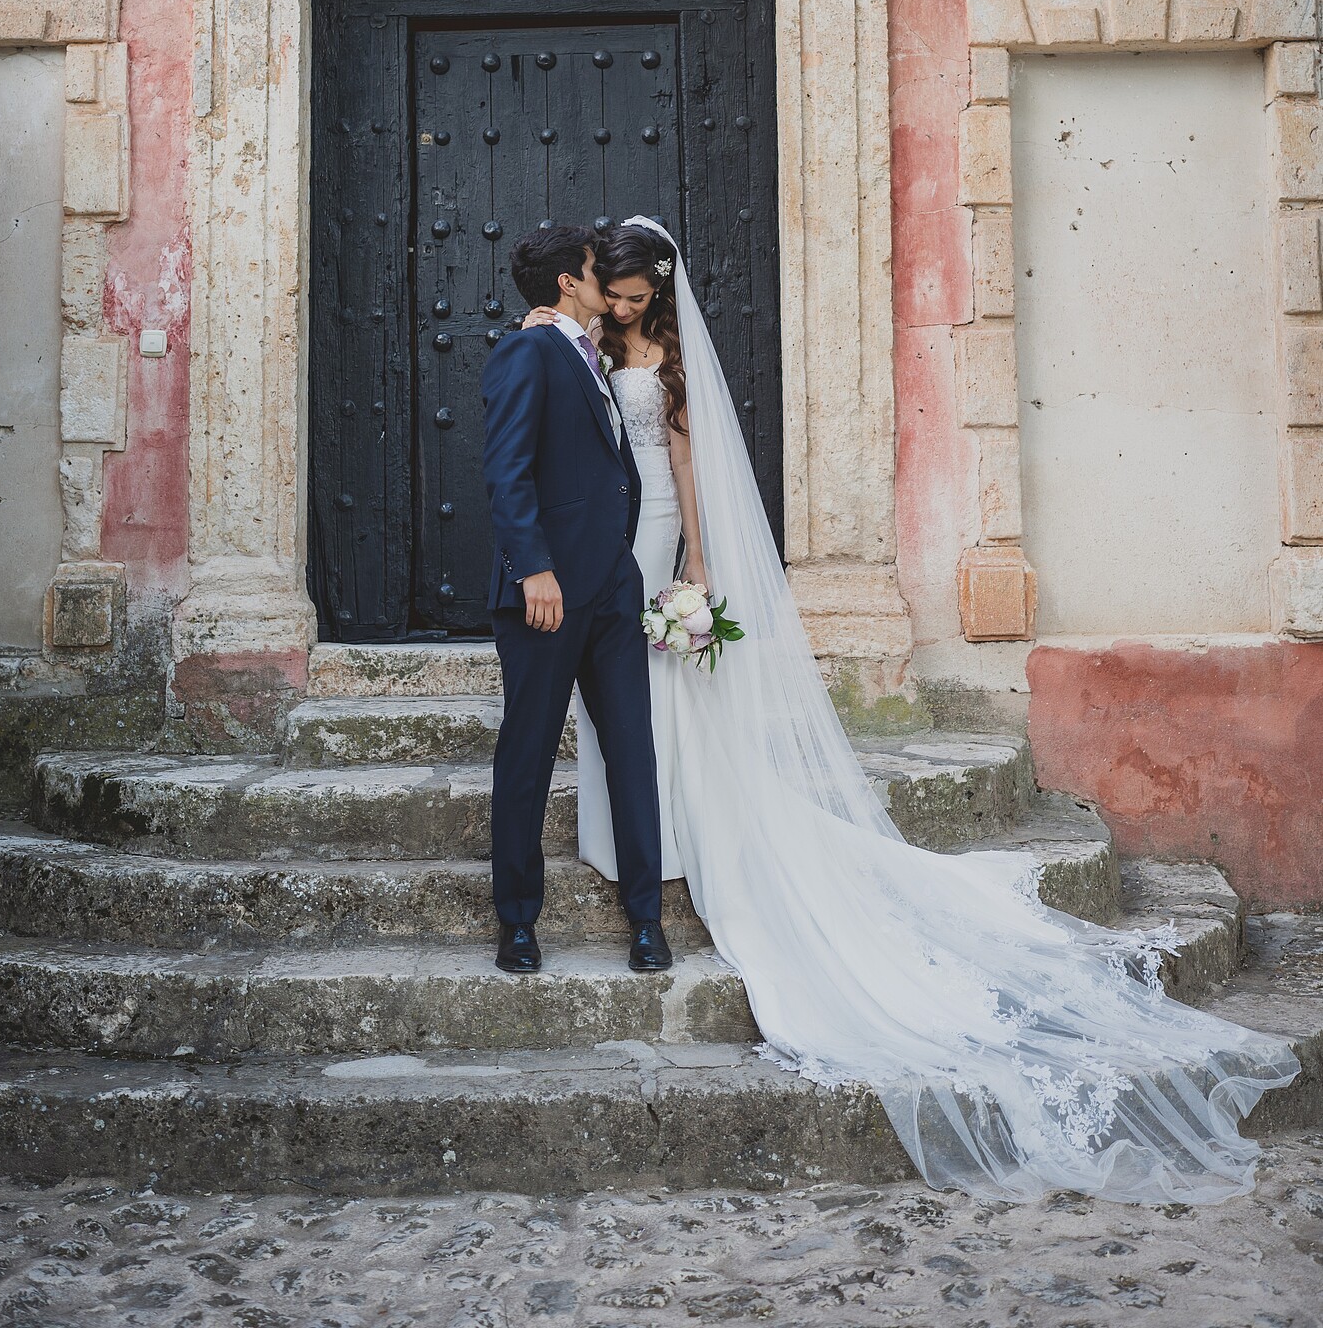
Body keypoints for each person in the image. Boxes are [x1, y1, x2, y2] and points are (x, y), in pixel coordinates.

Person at [520, 216, 1300, 1205]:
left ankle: (681, 827)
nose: (622, 305)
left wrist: (699, 562)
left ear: (656, 293)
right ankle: (629, 826)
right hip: (596, 539)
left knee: (668, 692)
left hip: (658, 533)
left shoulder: (665, 355)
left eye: (634, 296)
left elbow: (682, 463)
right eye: (614, 293)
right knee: (614, 702)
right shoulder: (578, 337)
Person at [481, 224, 671, 978]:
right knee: (525, 756)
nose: (606, 282)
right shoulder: (529, 350)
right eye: (596, 271)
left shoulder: (588, 351)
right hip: (546, 596)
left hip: (612, 588)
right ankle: (517, 922)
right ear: (570, 281)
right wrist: (533, 570)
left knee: (632, 752)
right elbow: (506, 469)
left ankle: (647, 921)